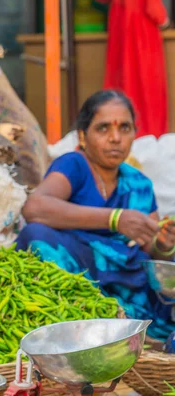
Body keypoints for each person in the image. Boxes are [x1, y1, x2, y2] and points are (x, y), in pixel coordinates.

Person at [16, 90, 175, 341]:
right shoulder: (74, 165)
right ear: (83, 136)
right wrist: (114, 219)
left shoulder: (139, 183)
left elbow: (149, 249)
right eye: (103, 129)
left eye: (125, 128)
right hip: (77, 270)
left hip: (125, 279)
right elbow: (35, 207)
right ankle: (82, 316)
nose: (115, 138)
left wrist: (163, 245)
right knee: (36, 235)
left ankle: (123, 319)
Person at [95, 0, 170, 138]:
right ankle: (147, 131)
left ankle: (116, 129)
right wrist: (164, 21)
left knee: (120, 81)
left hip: (119, 28)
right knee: (146, 84)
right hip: (143, 31)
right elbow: (153, 9)